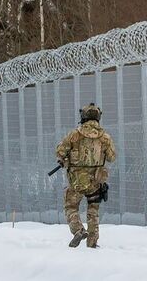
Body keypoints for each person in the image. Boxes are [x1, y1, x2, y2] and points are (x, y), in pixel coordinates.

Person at [55, 103, 117, 248]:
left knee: (71, 207)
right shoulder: (105, 137)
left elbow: (60, 151)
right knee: (93, 211)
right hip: (96, 180)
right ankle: (92, 243)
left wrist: (65, 159)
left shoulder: (74, 135)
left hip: (76, 180)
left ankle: (78, 230)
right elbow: (112, 157)